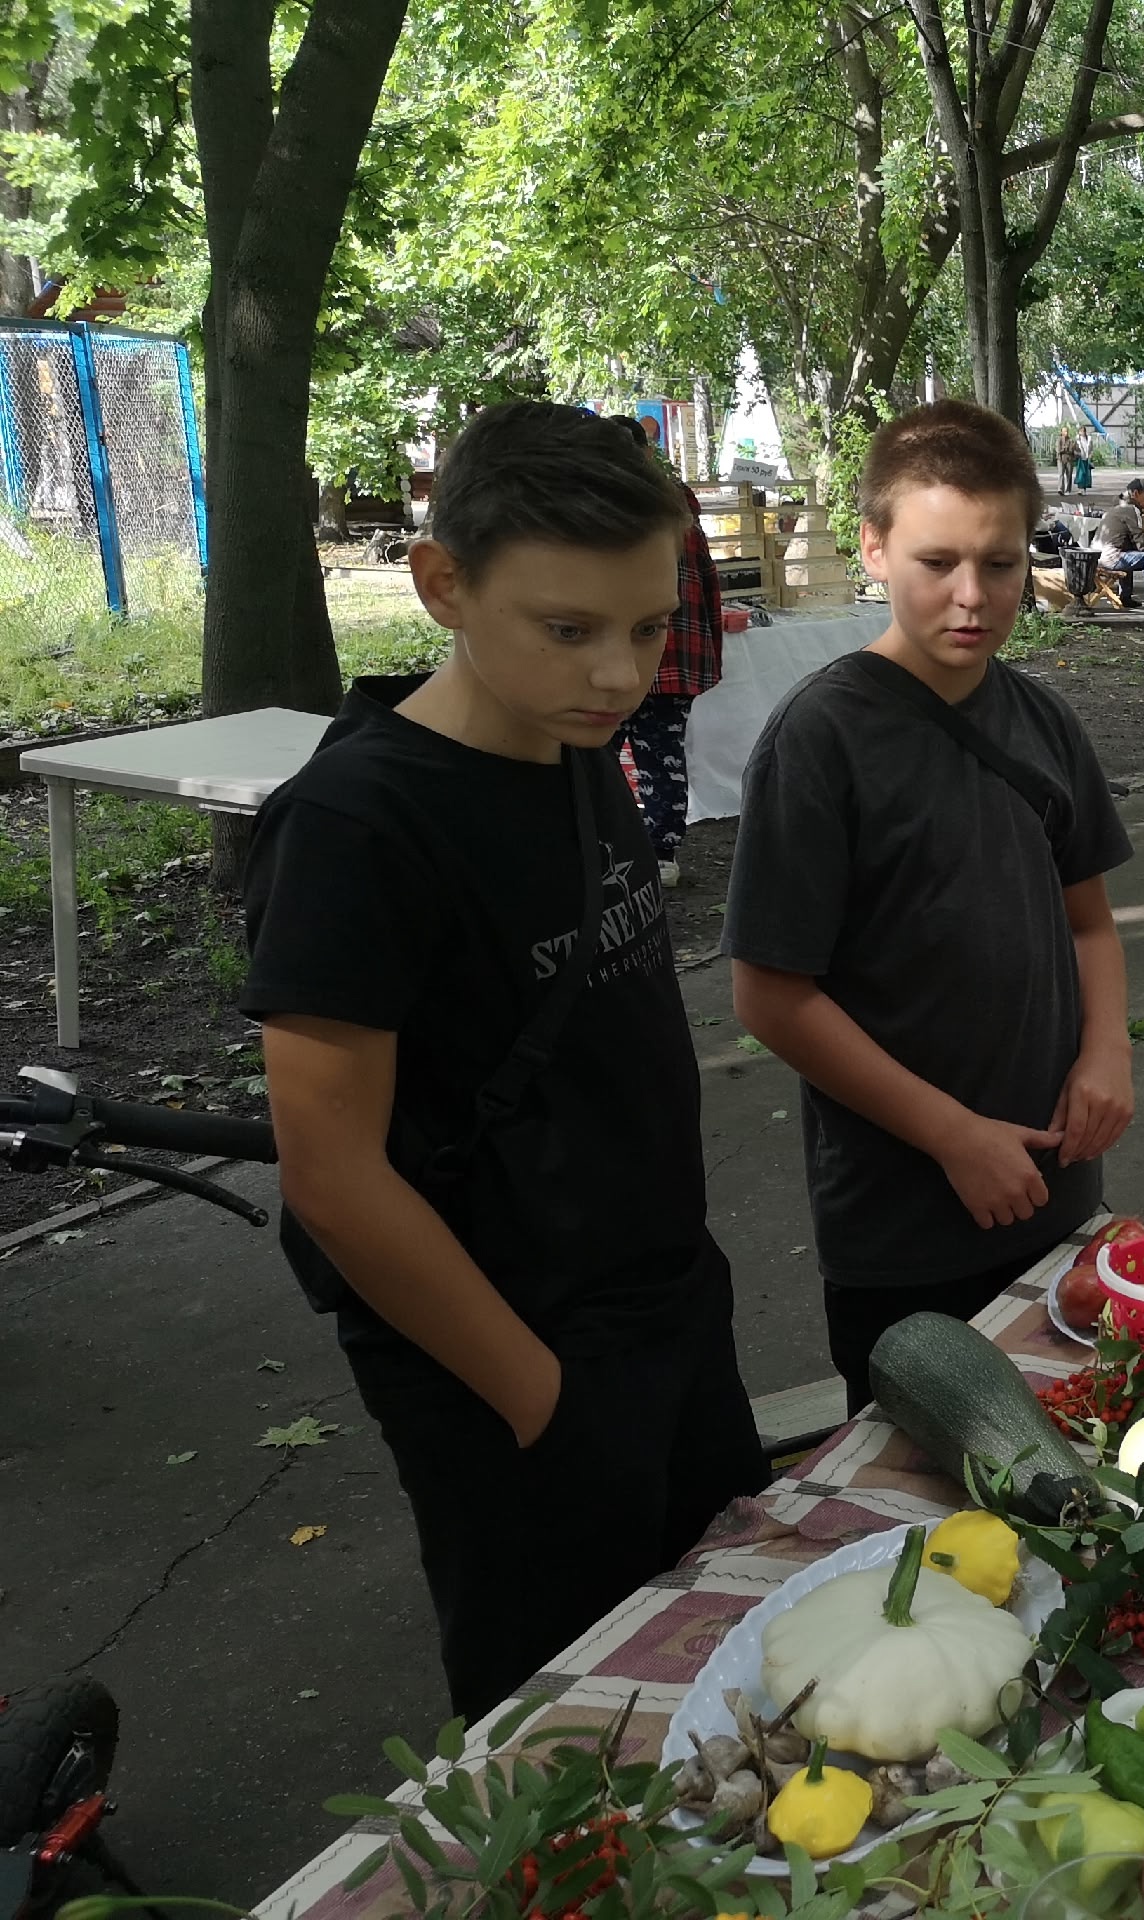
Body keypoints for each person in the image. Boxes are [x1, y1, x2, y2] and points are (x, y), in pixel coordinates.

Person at [241, 401, 768, 1723]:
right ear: (443, 586)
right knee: (566, 1725)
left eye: (647, 628)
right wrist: (541, 1400)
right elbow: (331, 1173)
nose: (619, 674)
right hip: (509, 1358)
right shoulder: (358, 829)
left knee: (732, 1665)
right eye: (569, 629)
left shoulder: (570, 742)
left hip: (665, 1311)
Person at [727, 399, 1136, 1408]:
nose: (971, 596)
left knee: (1077, 1456)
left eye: (1000, 563)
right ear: (873, 548)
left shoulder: (1043, 721)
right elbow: (770, 995)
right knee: (922, 1481)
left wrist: (1107, 1052)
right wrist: (954, 1135)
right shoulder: (819, 740)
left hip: (1060, 1197)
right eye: (936, 561)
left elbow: (1089, 922)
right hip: (904, 1231)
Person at [609, 416, 721, 887]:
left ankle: (603, 847)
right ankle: (662, 855)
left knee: (594, 756)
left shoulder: (600, 504)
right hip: (676, 655)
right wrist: (709, 651)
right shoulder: (679, 503)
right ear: (646, 451)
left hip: (615, 656)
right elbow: (708, 579)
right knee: (662, 758)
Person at [1091, 478, 1144, 609]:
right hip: (1110, 558)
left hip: (1097, 557)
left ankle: (1125, 597)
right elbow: (1141, 544)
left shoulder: (1118, 507)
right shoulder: (1132, 509)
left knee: (1128, 553)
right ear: (1136, 494)